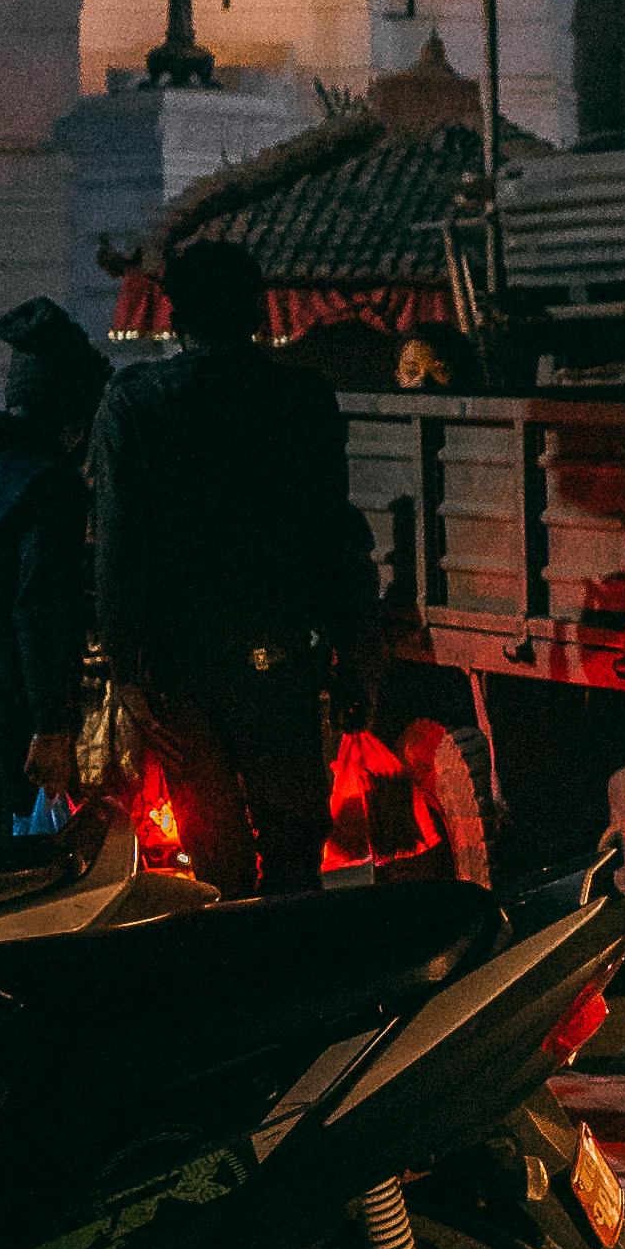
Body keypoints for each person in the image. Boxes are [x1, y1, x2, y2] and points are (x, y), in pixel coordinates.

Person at [90, 231, 379, 895]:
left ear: (176, 318)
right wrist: (355, 653)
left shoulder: (134, 403)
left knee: (215, 855)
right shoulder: (302, 398)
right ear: (256, 313)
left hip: (180, 669)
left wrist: (126, 671)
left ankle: (234, 950)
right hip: (280, 657)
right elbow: (333, 535)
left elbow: (118, 548)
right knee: (294, 849)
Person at [0, 297, 109, 828]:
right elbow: (39, 606)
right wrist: (51, 727)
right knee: (32, 862)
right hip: (19, 722)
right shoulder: (51, 482)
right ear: (74, 419)